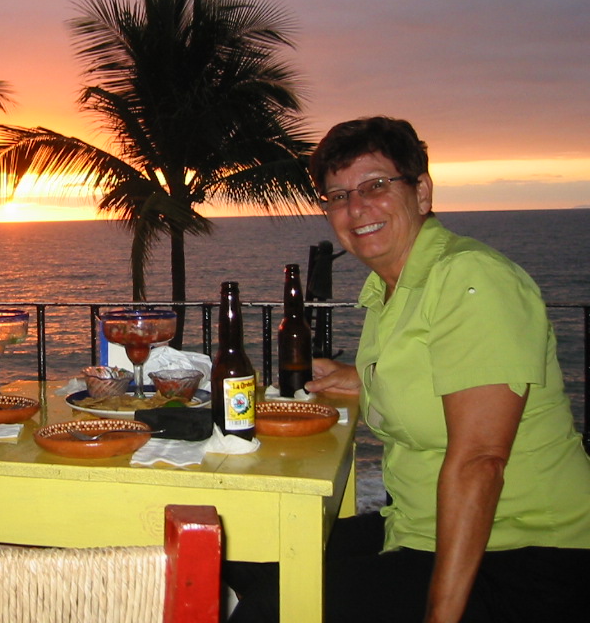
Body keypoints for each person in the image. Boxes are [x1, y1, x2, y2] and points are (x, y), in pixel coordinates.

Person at [225, 117, 590, 623]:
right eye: (337, 195)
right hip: (416, 526)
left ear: (421, 192)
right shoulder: (391, 291)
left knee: (271, 610)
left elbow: (480, 461)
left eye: (375, 186)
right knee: (247, 548)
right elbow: (434, 372)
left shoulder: (471, 280)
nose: (355, 209)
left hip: (522, 552)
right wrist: (362, 377)